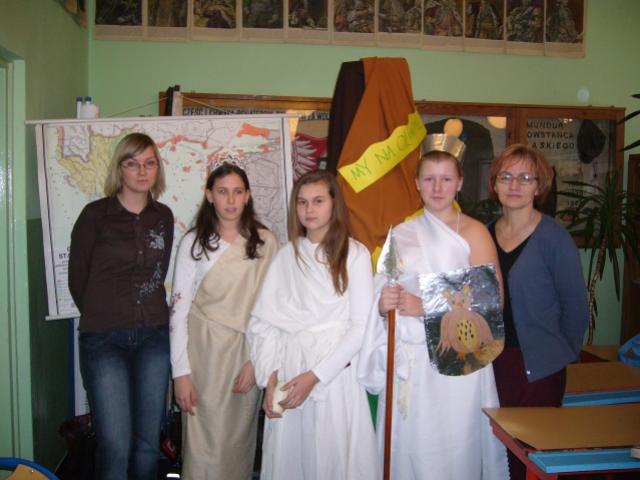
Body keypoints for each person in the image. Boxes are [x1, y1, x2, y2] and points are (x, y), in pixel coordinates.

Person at [358, 134, 509, 480]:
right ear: (416, 183)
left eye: (446, 179)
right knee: (413, 447)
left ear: (460, 183)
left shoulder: (474, 232)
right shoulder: (401, 234)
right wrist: (382, 305)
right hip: (413, 363)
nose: (437, 187)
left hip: (460, 360)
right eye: (429, 179)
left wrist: (426, 305)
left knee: (454, 448)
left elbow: (493, 301)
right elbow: (383, 289)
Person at [247, 170, 380, 480]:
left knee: (333, 459)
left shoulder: (355, 255)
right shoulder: (286, 256)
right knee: (292, 459)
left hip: (333, 376)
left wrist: (315, 377)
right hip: (291, 370)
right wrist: (270, 379)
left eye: (318, 201)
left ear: (334, 204)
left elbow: (359, 328)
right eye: (302, 202)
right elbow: (264, 324)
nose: (309, 209)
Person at [69, 132, 174, 480]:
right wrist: (106, 312)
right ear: (120, 169)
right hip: (104, 341)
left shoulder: (164, 217)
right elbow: (78, 280)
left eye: (149, 163)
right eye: (132, 164)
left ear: (157, 169)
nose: (142, 172)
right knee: (115, 443)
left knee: (147, 442)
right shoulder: (94, 216)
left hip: (153, 337)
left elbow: (159, 273)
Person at [169, 163, 278, 479]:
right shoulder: (194, 242)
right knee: (202, 445)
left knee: (236, 445)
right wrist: (180, 374)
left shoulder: (266, 243)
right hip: (202, 356)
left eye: (237, 192)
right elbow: (179, 311)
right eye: (222, 192)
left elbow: (272, 310)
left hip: (245, 353)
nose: (230, 200)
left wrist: (255, 361)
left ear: (247, 196)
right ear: (209, 195)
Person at [487, 144, 588, 480]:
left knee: (528, 458)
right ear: (495, 184)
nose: (514, 185)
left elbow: (575, 306)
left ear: (539, 186)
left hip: (540, 369)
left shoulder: (554, 238)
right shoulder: (483, 234)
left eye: (525, 178)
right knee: (496, 455)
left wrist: (559, 355)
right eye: (506, 176)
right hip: (492, 365)